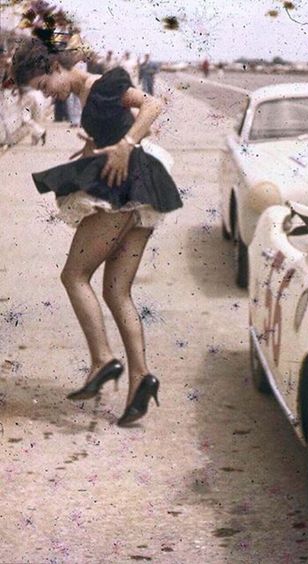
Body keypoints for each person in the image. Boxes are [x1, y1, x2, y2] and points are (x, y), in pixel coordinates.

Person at [11, 36, 183, 426]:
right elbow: (118, 126)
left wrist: (125, 145)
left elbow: (153, 105)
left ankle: (103, 360)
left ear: (55, 67)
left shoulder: (104, 84)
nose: (47, 95)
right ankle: (141, 379)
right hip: (141, 191)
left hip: (126, 188)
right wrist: (94, 147)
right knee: (116, 291)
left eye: (44, 85)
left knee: (74, 276)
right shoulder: (87, 95)